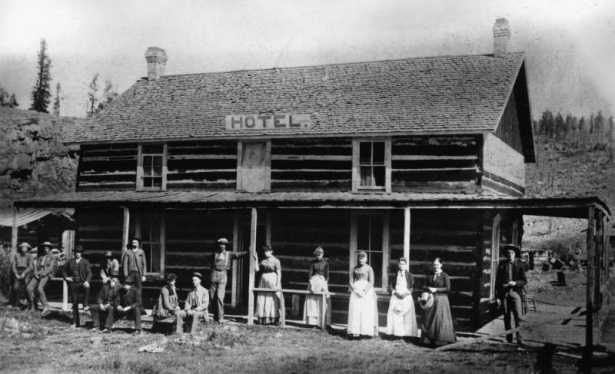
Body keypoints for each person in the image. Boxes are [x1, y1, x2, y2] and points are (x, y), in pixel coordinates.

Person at [209, 237, 249, 323]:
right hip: (214, 274)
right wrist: (212, 273)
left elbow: (238, 255)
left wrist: (248, 252)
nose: (222, 246)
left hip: (223, 275)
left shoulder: (228, 254)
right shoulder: (214, 254)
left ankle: (220, 317)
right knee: (212, 297)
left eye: (223, 244)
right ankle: (215, 316)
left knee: (220, 296)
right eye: (220, 244)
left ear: (226, 246)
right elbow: (211, 264)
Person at [496, 244, 527, 345]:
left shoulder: (520, 265)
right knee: (506, 316)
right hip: (504, 293)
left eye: (512, 253)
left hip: (515, 292)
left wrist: (516, 283)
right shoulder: (501, 265)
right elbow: (497, 282)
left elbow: (524, 281)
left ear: (515, 254)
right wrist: (497, 296)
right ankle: (509, 338)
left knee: (518, 316)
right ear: (506, 254)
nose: (510, 255)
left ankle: (520, 339)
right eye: (508, 253)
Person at [420, 257, 456, 346]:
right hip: (430, 299)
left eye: (437, 264)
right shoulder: (429, 275)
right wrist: (429, 288)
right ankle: (428, 340)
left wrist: (436, 289)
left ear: (441, 265)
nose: (435, 266)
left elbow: (448, 288)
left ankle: (440, 340)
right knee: (429, 318)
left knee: (440, 319)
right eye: (434, 265)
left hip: (441, 300)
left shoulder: (444, 275)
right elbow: (423, 286)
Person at [347, 251, 378, 338]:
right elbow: (350, 281)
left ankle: (365, 332)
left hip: (366, 292)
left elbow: (372, 282)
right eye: (360, 259)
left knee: (365, 310)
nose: (362, 260)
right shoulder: (354, 268)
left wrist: (364, 291)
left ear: (366, 259)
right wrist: (355, 290)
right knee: (356, 310)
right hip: (356, 291)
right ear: (358, 259)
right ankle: (356, 331)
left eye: (363, 259)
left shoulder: (369, 268)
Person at [385, 257, 418, 338]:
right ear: (398, 264)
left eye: (403, 264)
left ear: (406, 265)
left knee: (406, 315)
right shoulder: (395, 275)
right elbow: (391, 286)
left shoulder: (409, 275)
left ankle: (406, 333)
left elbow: (412, 287)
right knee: (395, 314)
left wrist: (406, 294)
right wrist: (395, 293)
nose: (401, 266)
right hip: (396, 295)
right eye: (400, 264)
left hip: (405, 296)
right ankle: (396, 333)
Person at [62, 245, 93, 327]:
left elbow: (89, 273)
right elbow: (63, 270)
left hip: (82, 282)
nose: (77, 254)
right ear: (74, 253)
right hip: (73, 283)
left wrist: (87, 281)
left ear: (81, 253)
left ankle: (85, 304)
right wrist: (66, 277)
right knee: (74, 303)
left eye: (79, 252)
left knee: (87, 287)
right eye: (76, 252)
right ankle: (76, 322)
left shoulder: (85, 262)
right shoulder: (71, 261)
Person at [253, 245, 283, 325]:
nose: (265, 253)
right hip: (263, 280)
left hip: (273, 279)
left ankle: (273, 318)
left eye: (267, 251)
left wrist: (277, 284)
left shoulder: (276, 261)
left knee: (272, 298)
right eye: (264, 251)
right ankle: (263, 318)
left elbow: (279, 273)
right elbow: (257, 269)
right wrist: (256, 260)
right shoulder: (263, 260)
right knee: (263, 297)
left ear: (271, 251)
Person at [303, 246, 331, 328]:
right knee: (312, 302)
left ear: (322, 254)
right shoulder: (312, 263)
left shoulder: (326, 263)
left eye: (320, 254)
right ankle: (312, 322)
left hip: (322, 283)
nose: (318, 256)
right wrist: (311, 285)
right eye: (317, 255)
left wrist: (324, 285)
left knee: (323, 301)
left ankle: (322, 322)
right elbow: (310, 275)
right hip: (313, 283)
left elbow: (327, 276)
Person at [27, 241, 56, 313]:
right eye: (44, 248)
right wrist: (35, 273)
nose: (45, 249)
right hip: (39, 272)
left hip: (46, 273)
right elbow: (36, 265)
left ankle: (46, 306)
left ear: (49, 249)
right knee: (29, 288)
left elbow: (51, 268)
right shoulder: (40, 256)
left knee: (39, 288)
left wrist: (43, 274)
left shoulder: (52, 256)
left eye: (47, 248)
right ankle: (33, 306)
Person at [9, 242, 33, 308]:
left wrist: (24, 273)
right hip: (17, 270)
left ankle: (31, 303)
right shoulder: (16, 255)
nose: (24, 249)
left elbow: (31, 266)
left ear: (27, 249)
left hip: (26, 271)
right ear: (20, 248)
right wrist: (16, 273)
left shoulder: (30, 256)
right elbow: (13, 265)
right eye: (22, 248)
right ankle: (15, 303)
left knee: (27, 285)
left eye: (25, 248)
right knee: (15, 287)